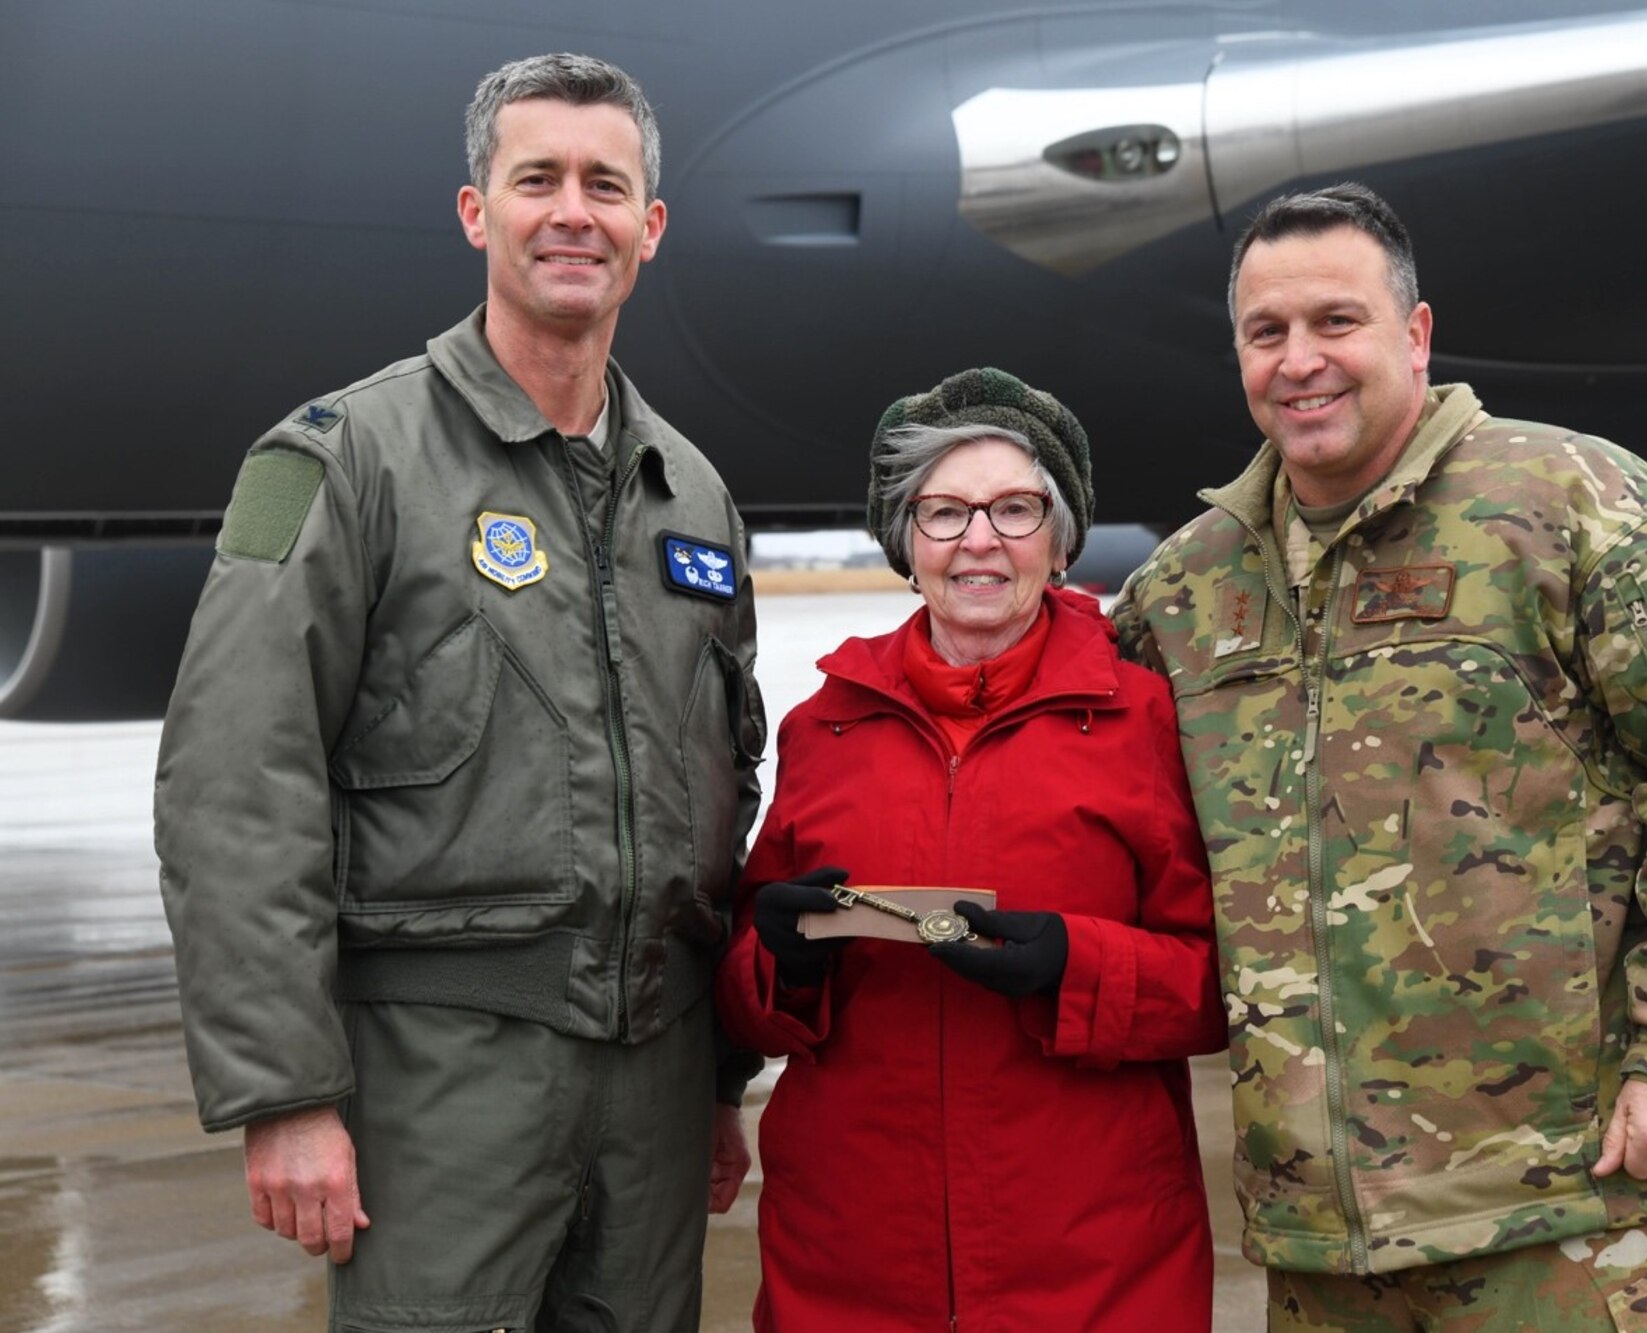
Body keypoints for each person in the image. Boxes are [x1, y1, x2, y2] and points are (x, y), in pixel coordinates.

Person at [1112, 184, 1647, 1331]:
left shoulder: (1572, 504)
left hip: (1569, 1207)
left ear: (1414, 333)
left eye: (1335, 321)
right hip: (1324, 1242)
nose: (1300, 361)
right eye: (1265, 332)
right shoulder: (1191, 588)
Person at [155, 53, 763, 1331]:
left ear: (649, 228)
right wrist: (285, 1094)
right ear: (474, 211)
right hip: (441, 1078)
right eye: (534, 178)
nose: (571, 212)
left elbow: (718, 794)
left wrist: (716, 1079)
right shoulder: (339, 458)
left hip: (652, 1085)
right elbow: (234, 778)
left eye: (607, 185)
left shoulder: (690, 493)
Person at [717, 368, 1226, 1333]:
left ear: (1062, 536)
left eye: (1016, 508)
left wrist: (1078, 966)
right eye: (944, 512)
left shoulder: (1149, 720)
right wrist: (775, 963)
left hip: (1095, 1271)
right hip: (850, 1269)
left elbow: (1225, 982)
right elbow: (742, 997)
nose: (980, 540)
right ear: (906, 541)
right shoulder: (822, 728)